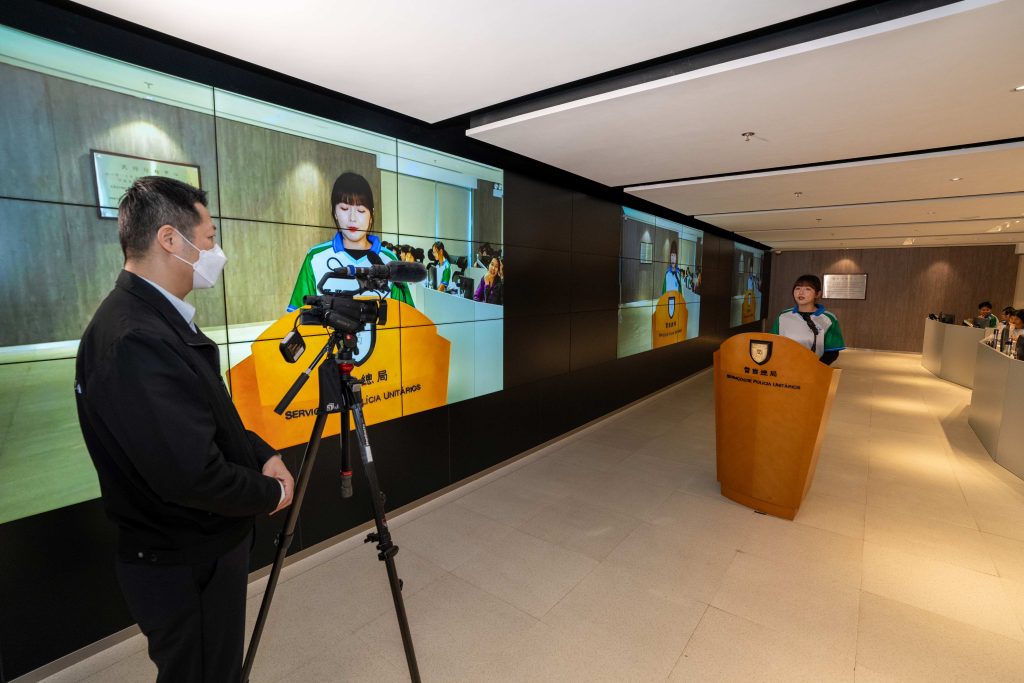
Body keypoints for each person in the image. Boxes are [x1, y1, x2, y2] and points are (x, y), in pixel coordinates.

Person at [74, 176, 294, 682]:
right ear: (171, 239)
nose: (217, 252)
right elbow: (191, 474)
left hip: (197, 549)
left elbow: (206, 418)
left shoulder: (156, 318)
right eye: (210, 238)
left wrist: (261, 452)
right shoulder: (135, 339)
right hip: (183, 560)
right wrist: (273, 492)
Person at [287, 172, 412, 312]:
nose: (352, 218)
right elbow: (296, 316)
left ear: (371, 215)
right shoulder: (315, 257)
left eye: (361, 210)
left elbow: (408, 316)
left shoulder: (390, 260)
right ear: (335, 212)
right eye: (344, 209)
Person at [770, 274, 845, 365]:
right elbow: (773, 343)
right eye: (798, 288)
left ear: (817, 294)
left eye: (807, 289)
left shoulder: (828, 318)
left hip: (814, 369)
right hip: (785, 367)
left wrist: (815, 367)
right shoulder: (783, 316)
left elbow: (832, 352)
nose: (801, 292)